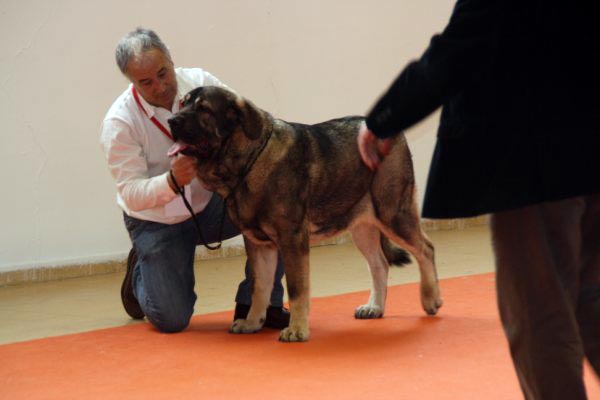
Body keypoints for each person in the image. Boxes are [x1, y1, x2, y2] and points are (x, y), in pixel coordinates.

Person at [357, 1, 600, 399]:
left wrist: (388, 116)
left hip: (532, 155)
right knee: (592, 299)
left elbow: (466, 42)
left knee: (540, 311)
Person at [100, 27, 289, 333]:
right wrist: (171, 182)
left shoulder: (201, 83)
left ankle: (258, 303)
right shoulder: (119, 123)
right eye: (146, 82)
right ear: (131, 82)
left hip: (210, 205)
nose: (161, 87)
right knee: (171, 320)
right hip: (156, 220)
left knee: (275, 210)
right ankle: (139, 275)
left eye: (163, 73)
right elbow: (130, 193)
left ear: (171, 60)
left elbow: (244, 120)